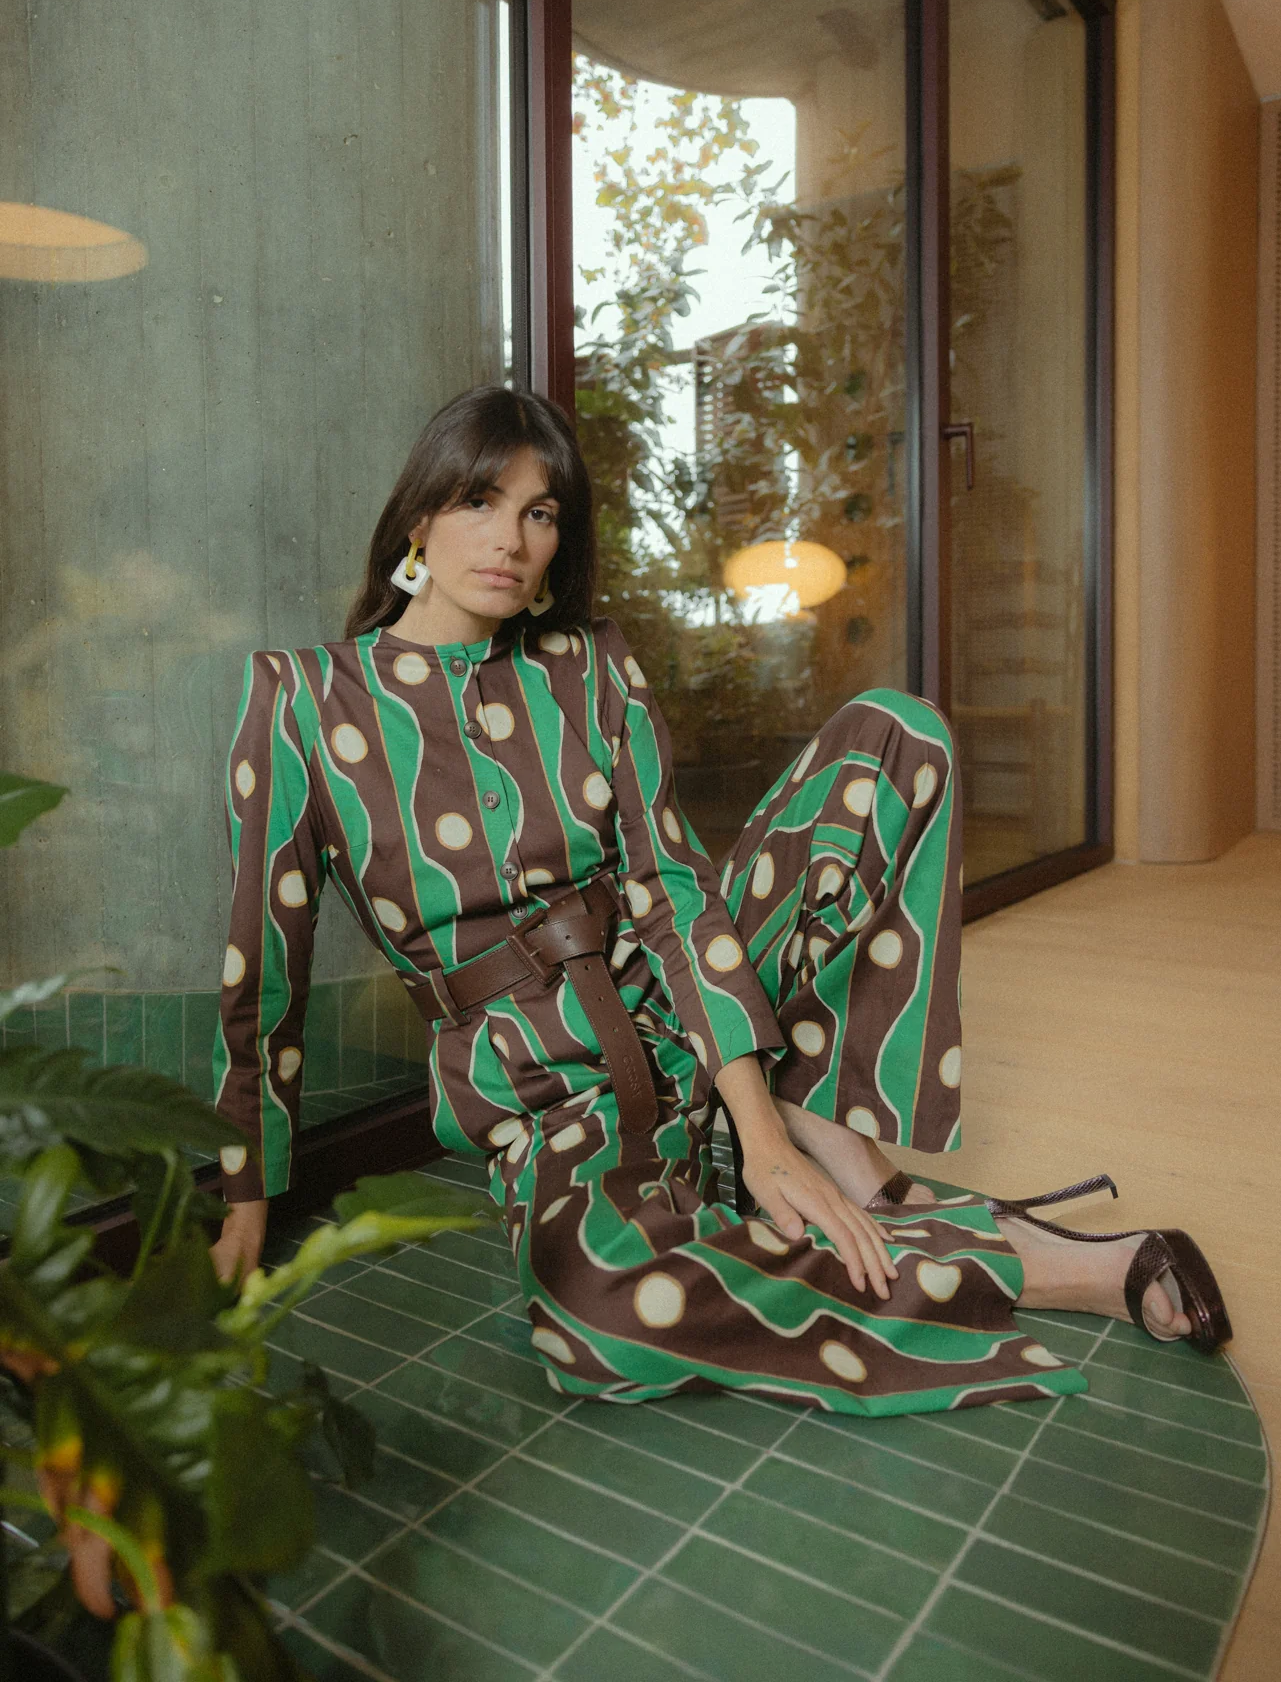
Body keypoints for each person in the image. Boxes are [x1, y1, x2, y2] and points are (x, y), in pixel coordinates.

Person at [208, 384, 1229, 1415]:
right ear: (419, 517)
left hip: (699, 1002)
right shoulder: (300, 699)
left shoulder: (591, 667)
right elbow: (263, 966)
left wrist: (761, 1137)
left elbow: (672, 891)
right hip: (545, 1088)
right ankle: (1044, 1263)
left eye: (540, 512)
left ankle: (791, 1116)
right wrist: (247, 1196)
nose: (510, 539)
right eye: (480, 501)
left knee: (898, 733)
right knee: (602, 1315)